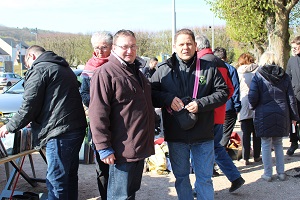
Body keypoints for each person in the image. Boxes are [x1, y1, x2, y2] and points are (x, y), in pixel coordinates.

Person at [0, 45, 87, 200]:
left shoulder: (40, 69)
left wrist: (9, 126)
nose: (28, 67)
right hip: (74, 128)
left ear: (31, 56)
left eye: (27, 63)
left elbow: (29, 105)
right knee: (69, 177)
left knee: (56, 181)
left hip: (59, 132)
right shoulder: (63, 67)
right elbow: (50, 101)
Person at [151, 28, 229, 200]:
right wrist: (168, 98)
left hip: (203, 134)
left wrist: (201, 103)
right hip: (176, 134)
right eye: (181, 44)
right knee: (181, 178)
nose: (185, 47)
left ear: (195, 45)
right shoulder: (163, 70)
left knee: (205, 179)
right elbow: (151, 94)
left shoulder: (209, 68)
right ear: (174, 46)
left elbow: (223, 92)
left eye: (188, 44)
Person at [88, 29, 155, 199]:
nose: (130, 51)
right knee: (119, 196)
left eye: (133, 46)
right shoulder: (105, 73)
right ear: (114, 48)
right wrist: (103, 147)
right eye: (124, 46)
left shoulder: (137, 73)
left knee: (130, 193)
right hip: (121, 150)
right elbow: (97, 112)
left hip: (138, 146)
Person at [194, 35, 244, 193]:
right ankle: (234, 177)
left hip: (204, 114)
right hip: (219, 113)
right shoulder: (220, 62)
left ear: (197, 46)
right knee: (214, 147)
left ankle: (202, 187)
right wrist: (220, 103)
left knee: (203, 150)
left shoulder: (201, 62)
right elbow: (230, 89)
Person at [248, 51, 299, 181]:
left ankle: (268, 173)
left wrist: (253, 107)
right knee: (278, 143)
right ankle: (281, 173)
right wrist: (294, 116)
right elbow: (291, 98)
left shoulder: (258, 76)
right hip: (282, 113)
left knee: (266, 143)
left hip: (263, 112)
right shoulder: (285, 76)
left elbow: (253, 96)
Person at [79, 31, 113, 200]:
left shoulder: (117, 64)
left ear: (112, 47)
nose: (99, 52)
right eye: (96, 48)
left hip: (117, 123)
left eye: (104, 47)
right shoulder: (89, 68)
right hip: (97, 123)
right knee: (101, 167)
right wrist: (96, 104)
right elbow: (84, 93)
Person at [213, 47, 241, 147]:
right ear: (226, 57)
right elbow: (235, 88)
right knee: (225, 135)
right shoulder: (230, 69)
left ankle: (213, 157)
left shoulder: (210, 67)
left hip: (214, 106)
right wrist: (237, 106)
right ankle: (219, 156)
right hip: (229, 106)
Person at [237, 53, 261, 165]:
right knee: (257, 132)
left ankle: (245, 157)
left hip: (244, 101)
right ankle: (257, 155)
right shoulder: (258, 69)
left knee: (245, 132)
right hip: (257, 101)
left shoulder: (239, 71)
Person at [286, 36, 300, 156]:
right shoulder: (291, 60)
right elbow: (288, 77)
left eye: (296, 47)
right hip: (295, 96)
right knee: (293, 121)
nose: (294, 49)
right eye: (293, 48)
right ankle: (294, 142)